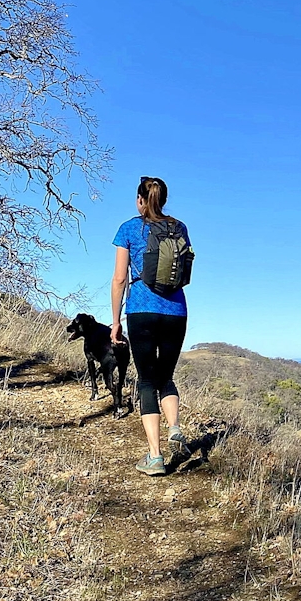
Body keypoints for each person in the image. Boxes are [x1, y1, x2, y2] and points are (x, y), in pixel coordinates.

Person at [110, 176, 192, 476]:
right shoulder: (179, 227)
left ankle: (155, 457)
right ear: (165, 200)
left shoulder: (129, 228)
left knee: (146, 380)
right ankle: (175, 427)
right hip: (176, 311)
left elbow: (119, 279)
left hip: (141, 311)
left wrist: (116, 321)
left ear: (139, 200)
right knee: (166, 377)